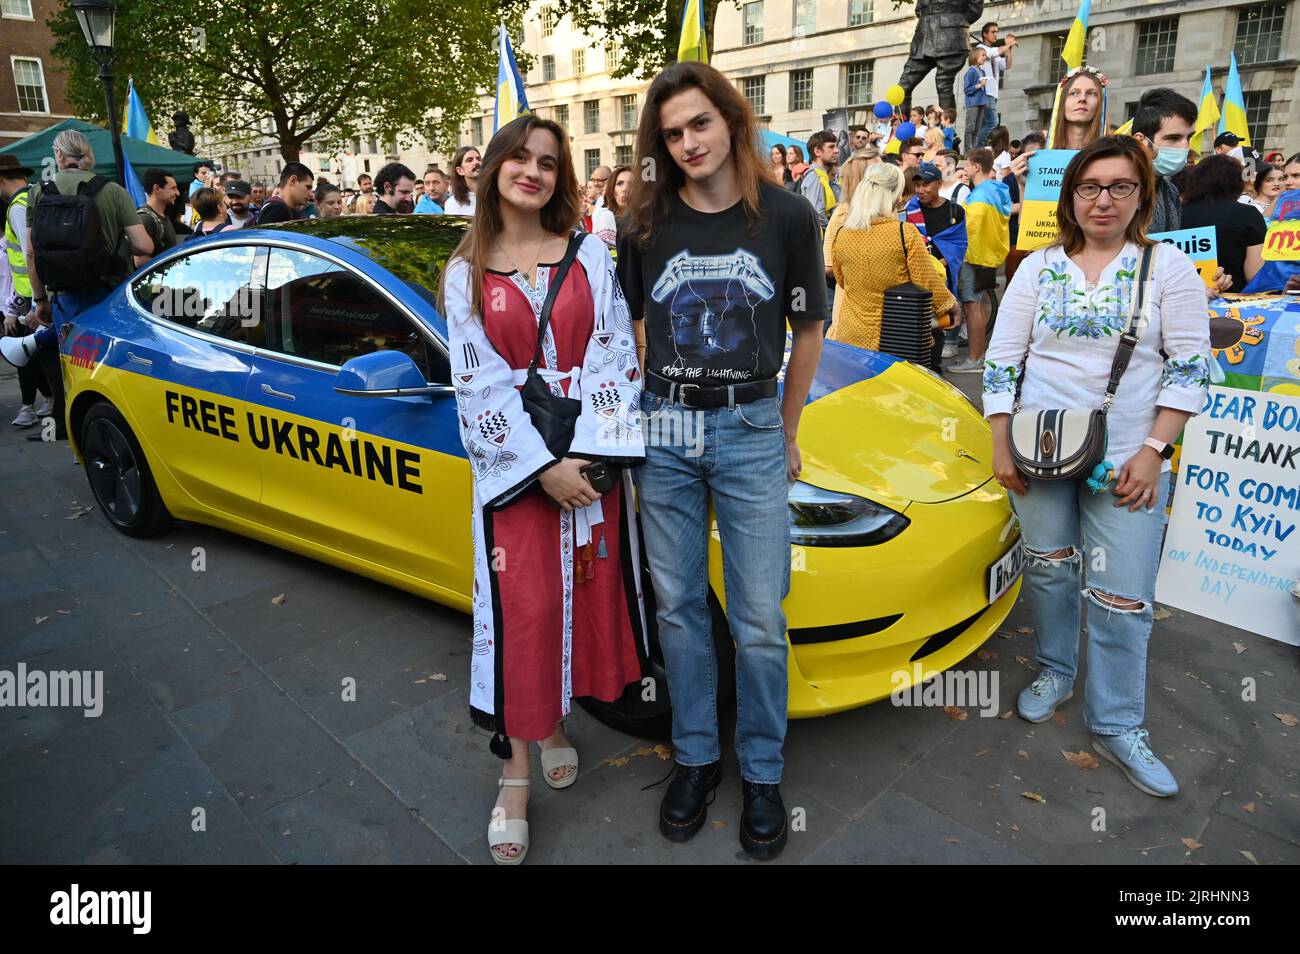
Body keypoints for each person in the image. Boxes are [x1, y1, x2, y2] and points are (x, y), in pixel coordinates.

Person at [617, 60, 826, 861]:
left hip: (748, 430)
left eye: (699, 123)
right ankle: (698, 758)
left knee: (760, 617)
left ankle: (763, 772)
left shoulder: (785, 217)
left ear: (731, 121)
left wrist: (787, 427)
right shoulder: (645, 221)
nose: (687, 142)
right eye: (671, 133)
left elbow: (807, 332)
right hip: (664, 428)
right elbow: (626, 325)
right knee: (678, 609)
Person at [439, 114, 647, 866]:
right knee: (520, 614)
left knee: (579, 602)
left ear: (561, 178)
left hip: (588, 465)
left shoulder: (591, 253)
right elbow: (478, 385)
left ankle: (556, 725)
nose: (533, 171)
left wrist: (589, 459)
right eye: (520, 158)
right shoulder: (465, 271)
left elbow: (615, 352)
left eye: (548, 163)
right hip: (517, 475)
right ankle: (514, 773)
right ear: (493, 167)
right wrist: (540, 468)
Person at [983, 135, 1210, 798]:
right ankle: (1055, 669)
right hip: (1038, 451)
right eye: (1090, 187)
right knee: (1050, 573)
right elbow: (1002, 358)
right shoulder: (1037, 267)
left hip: (1128, 462)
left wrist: (1154, 452)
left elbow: (1192, 368)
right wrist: (1000, 441)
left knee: (1122, 596)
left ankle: (1115, 724)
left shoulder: (1165, 268)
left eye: (1119, 186)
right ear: (1071, 196)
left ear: (1143, 195)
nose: (1103, 199)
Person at [3, 130, 153, 442]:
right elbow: (143, 245)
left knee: (74, 367)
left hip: (63, 298)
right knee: (112, 367)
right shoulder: (112, 190)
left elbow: (31, 253)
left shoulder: (38, 193)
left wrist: (40, 300)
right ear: (88, 154)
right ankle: (122, 433)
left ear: (58, 155)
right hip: (110, 294)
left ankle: (82, 441)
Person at [829, 161, 955, 350]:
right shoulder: (904, 233)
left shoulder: (842, 234)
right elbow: (926, 281)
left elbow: (841, 279)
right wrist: (951, 305)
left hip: (852, 333)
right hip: (896, 334)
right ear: (894, 194)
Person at [0, 154, 51, 429]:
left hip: (32, 299)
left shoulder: (18, 205)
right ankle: (49, 406)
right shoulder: (35, 195)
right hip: (35, 296)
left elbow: (30, 253)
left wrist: (33, 303)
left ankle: (51, 411)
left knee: (39, 358)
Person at [950, 147, 1009, 373]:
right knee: (977, 307)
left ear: (976, 166)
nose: (964, 169)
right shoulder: (995, 191)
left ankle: (975, 358)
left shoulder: (981, 195)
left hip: (973, 256)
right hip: (986, 256)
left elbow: (970, 230)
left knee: (972, 307)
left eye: (966, 165)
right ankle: (979, 356)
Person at [1179, 154, 1266, 292]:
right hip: (1234, 303)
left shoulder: (1175, 213)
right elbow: (1254, 276)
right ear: (1237, 182)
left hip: (1182, 296)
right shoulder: (1249, 214)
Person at [1130, 87, 1198, 234]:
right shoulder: (1114, 188)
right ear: (1141, 141)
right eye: (1173, 138)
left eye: (1189, 137)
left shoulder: (1171, 191)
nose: (1185, 146)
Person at [899, 0, 985, 112]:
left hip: (951, 36)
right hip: (923, 35)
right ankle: (901, 126)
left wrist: (954, 22)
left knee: (944, 84)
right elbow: (919, 9)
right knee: (902, 87)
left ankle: (946, 127)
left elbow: (975, 9)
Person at [823, 154, 873, 326]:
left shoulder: (847, 213)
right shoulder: (846, 212)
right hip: (861, 301)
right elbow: (828, 265)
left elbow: (829, 265)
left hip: (860, 300)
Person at [976, 22, 1017, 147]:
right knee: (993, 122)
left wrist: (1009, 49)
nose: (995, 35)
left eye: (996, 32)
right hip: (985, 91)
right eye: (993, 32)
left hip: (992, 93)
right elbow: (994, 53)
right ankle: (978, 146)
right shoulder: (980, 48)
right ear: (985, 34)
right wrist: (1008, 43)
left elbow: (1007, 65)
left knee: (984, 123)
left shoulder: (994, 51)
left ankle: (978, 146)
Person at [1049, 67, 1107, 150]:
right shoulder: (1038, 154)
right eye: (1074, 93)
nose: (1082, 98)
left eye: (1092, 93)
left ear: (1101, 102)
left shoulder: (1114, 154)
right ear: (1061, 101)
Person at [136, 167, 180, 265]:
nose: (177, 193)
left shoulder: (162, 215)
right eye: (173, 188)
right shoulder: (146, 219)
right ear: (157, 188)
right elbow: (140, 262)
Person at [799, 130, 840, 232]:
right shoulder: (814, 176)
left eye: (836, 146)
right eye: (831, 147)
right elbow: (816, 213)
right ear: (817, 151)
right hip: (821, 240)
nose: (837, 150)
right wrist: (833, 232)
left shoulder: (822, 174)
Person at [591, 164, 631, 251]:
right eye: (620, 183)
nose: (625, 188)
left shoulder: (644, 220)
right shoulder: (606, 215)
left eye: (631, 184)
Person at [963, 48, 990, 154]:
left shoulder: (982, 71)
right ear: (975, 57)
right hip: (973, 103)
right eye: (983, 55)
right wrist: (979, 85)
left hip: (981, 103)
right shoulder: (970, 72)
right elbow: (967, 89)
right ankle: (967, 150)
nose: (985, 57)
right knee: (970, 127)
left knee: (977, 128)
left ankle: (973, 148)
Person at [445, 146, 481, 215]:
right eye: (469, 160)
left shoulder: (494, 194)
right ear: (460, 171)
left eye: (478, 159)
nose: (476, 162)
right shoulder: (453, 203)